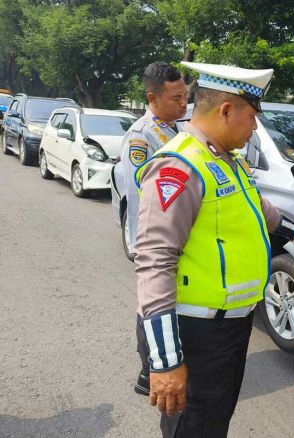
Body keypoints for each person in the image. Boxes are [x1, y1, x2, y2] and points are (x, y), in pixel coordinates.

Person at [133, 61, 294, 437]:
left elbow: (257, 210)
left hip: (233, 327)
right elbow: (154, 263)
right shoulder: (179, 167)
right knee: (194, 428)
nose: (255, 126)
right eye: (251, 115)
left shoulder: (228, 160)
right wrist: (165, 362)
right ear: (226, 110)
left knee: (214, 425)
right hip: (196, 335)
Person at [116, 62, 189, 398]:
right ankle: (148, 370)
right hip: (154, 240)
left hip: (177, 236)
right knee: (151, 302)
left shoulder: (176, 129)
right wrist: (140, 247)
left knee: (168, 301)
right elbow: (137, 196)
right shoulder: (141, 136)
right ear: (152, 98)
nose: (184, 104)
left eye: (185, 96)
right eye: (176, 98)